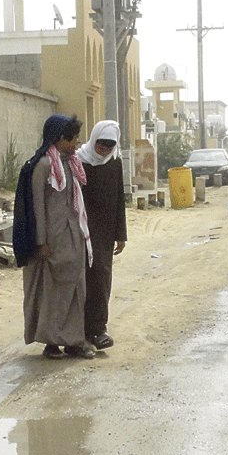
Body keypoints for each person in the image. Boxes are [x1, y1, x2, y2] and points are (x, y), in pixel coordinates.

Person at [16, 114, 96, 359]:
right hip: (51, 242)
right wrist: (41, 242)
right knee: (51, 293)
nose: (75, 143)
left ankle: (73, 340)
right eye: (71, 138)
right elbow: (37, 206)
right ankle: (51, 341)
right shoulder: (43, 166)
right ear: (60, 138)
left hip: (74, 238)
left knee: (76, 289)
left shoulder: (71, 164)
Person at [77, 120, 127, 350]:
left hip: (105, 232)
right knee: (80, 279)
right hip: (81, 228)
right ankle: (77, 331)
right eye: (100, 146)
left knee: (101, 279)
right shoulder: (79, 161)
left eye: (109, 147)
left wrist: (120, 234)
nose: (103, 151)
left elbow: (119, 200)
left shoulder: (115, 163)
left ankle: (98, 329)